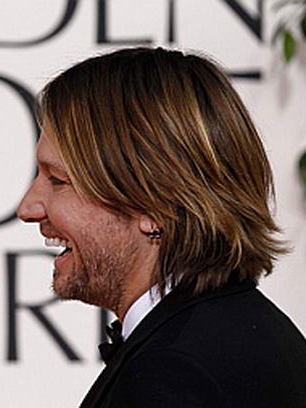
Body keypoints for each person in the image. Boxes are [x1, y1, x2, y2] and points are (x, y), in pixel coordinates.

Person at [17, 47, 306, 407]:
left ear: (154, 206)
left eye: (58, 180)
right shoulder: (248, 332)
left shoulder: (174, 374)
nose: (27, 208)